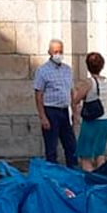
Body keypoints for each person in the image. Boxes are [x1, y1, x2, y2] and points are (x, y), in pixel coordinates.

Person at [32, 39, 76, 167]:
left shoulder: (67, 69)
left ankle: (72, 173)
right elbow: (38, 94)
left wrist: (75, 111)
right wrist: (43, 116)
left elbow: (71, 91)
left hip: (64, 111)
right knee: (51, 147)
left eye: (60, 51)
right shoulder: (43, 71)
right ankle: (53, 176)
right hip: (51, 111)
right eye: (56, 51)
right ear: (49, 52)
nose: (58, 54)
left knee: (71, 146)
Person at [72, 52, 107, 172]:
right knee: (100, 154)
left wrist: (74, 90)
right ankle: (102, 180)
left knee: (86, 156)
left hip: (91, 123)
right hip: (105, 120)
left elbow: (76, 100)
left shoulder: (89, 83)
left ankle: (91, 181)